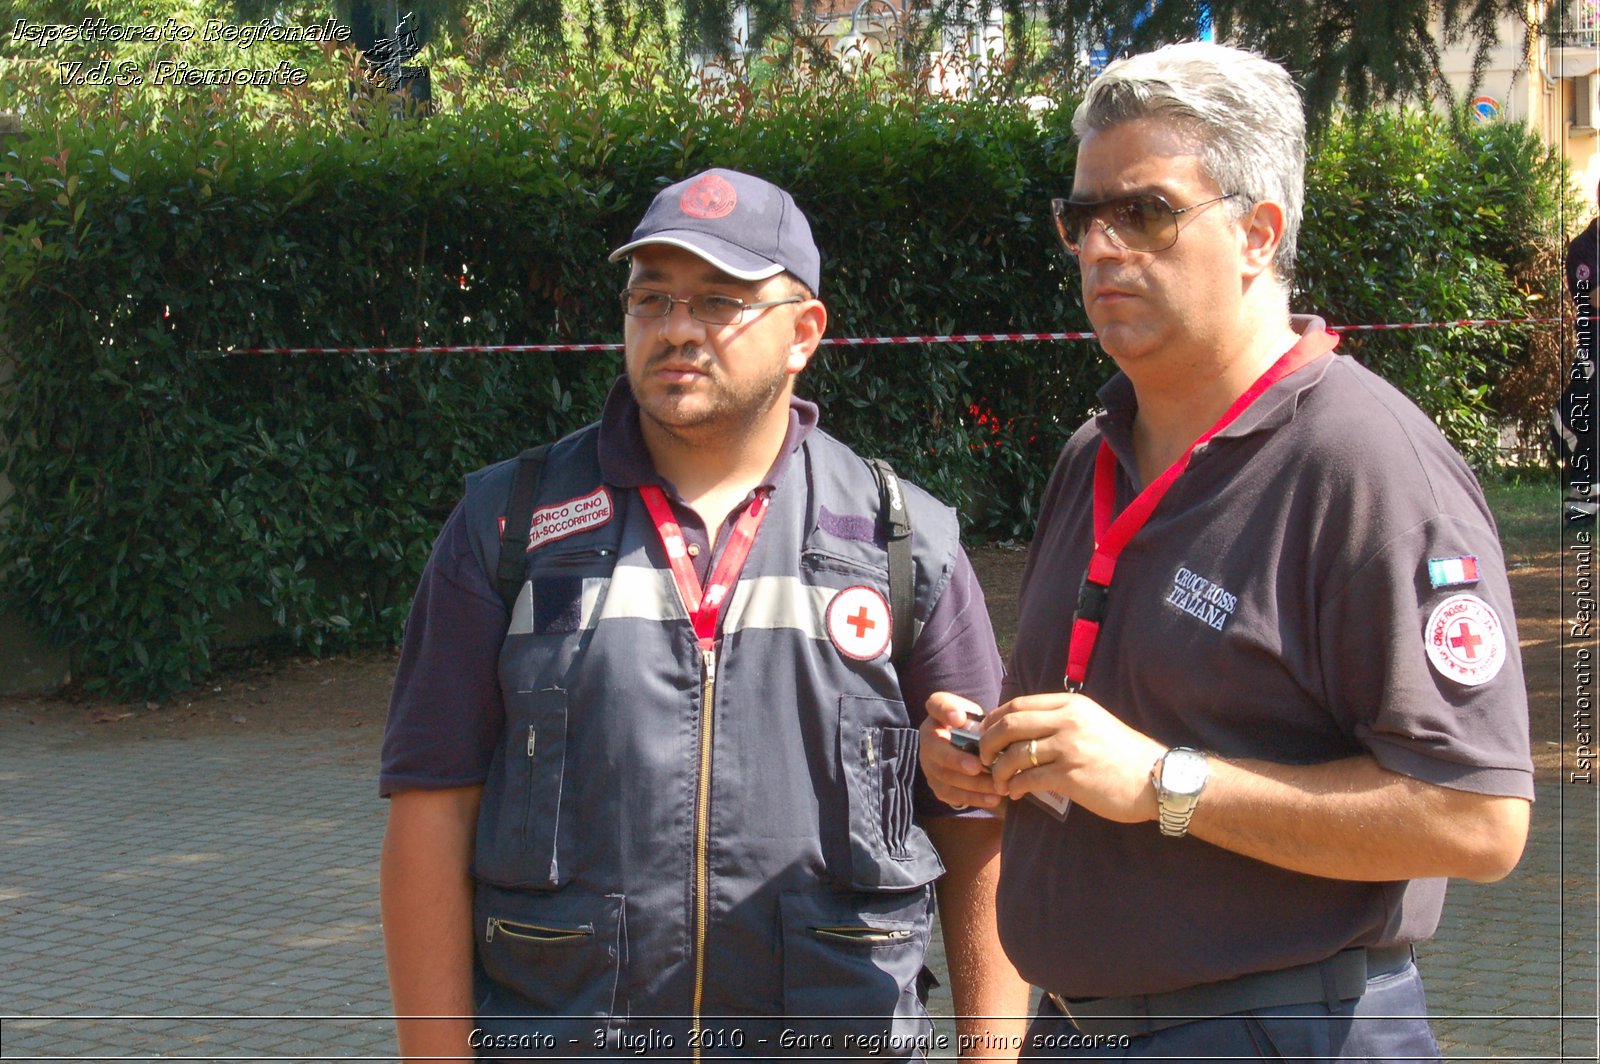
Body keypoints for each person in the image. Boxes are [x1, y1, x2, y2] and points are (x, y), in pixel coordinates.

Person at [919, 42, 1533, 1059]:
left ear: (1258, 232)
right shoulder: (1094, 451)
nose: (1102, 248)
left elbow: (1477, 816)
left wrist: (1165, 780)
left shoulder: (1363, 461)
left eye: (1147, 212)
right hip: (1078, 1026)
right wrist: (993, 755)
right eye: (1082, 217)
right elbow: (1112, 741)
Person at [379, 168, 1029, 1061]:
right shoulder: (507, 525)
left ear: (804, 333)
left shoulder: (900, 540)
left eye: (720, 302)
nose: (677, 328)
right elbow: (429, 815)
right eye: (651, 299)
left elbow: (982, 828)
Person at [1561, 188, 1597, 521]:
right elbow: (1593, 299)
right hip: (1595, 351)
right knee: (1593, 427)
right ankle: (1581, 508)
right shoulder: (1583, 249)